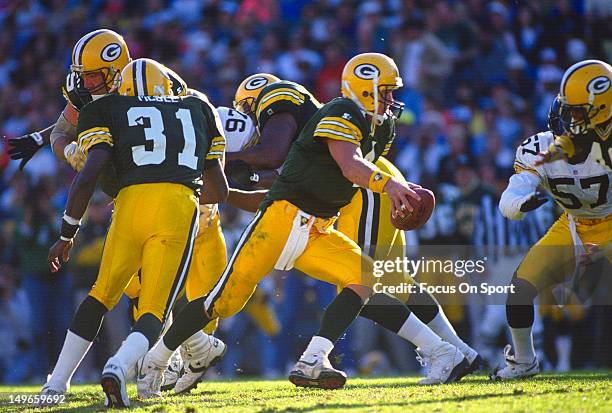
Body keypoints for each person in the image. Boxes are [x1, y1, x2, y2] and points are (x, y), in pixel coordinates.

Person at [138, 53, 468, 396]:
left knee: (364, 278)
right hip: (280, 221)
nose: (390, 99)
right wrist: (391, 185)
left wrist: (391, 191)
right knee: (221, 302)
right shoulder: (342, 111)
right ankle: (157, 360)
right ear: (365, 89)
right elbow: (349, 164)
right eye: (384, 91)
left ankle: (423, 353)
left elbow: (334, 172)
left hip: (319, 227)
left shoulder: (382, 126)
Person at [44, 58, 229, 407]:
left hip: (129, 204)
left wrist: (67, 233)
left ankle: (55, 385)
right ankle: (119, 366)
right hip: (177, 206)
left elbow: (87, 175)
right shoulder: (199, 106)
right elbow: (220, 190)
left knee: (100, 295)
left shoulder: (109, 108)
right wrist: (178, 178)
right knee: (154, 310)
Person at [495, 97, 612, 380]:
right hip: (572, 224)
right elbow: (510, 197)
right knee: (521, 288)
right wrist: (521, 204)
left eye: (576, 116)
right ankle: (524, 361)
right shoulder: (539, 147)